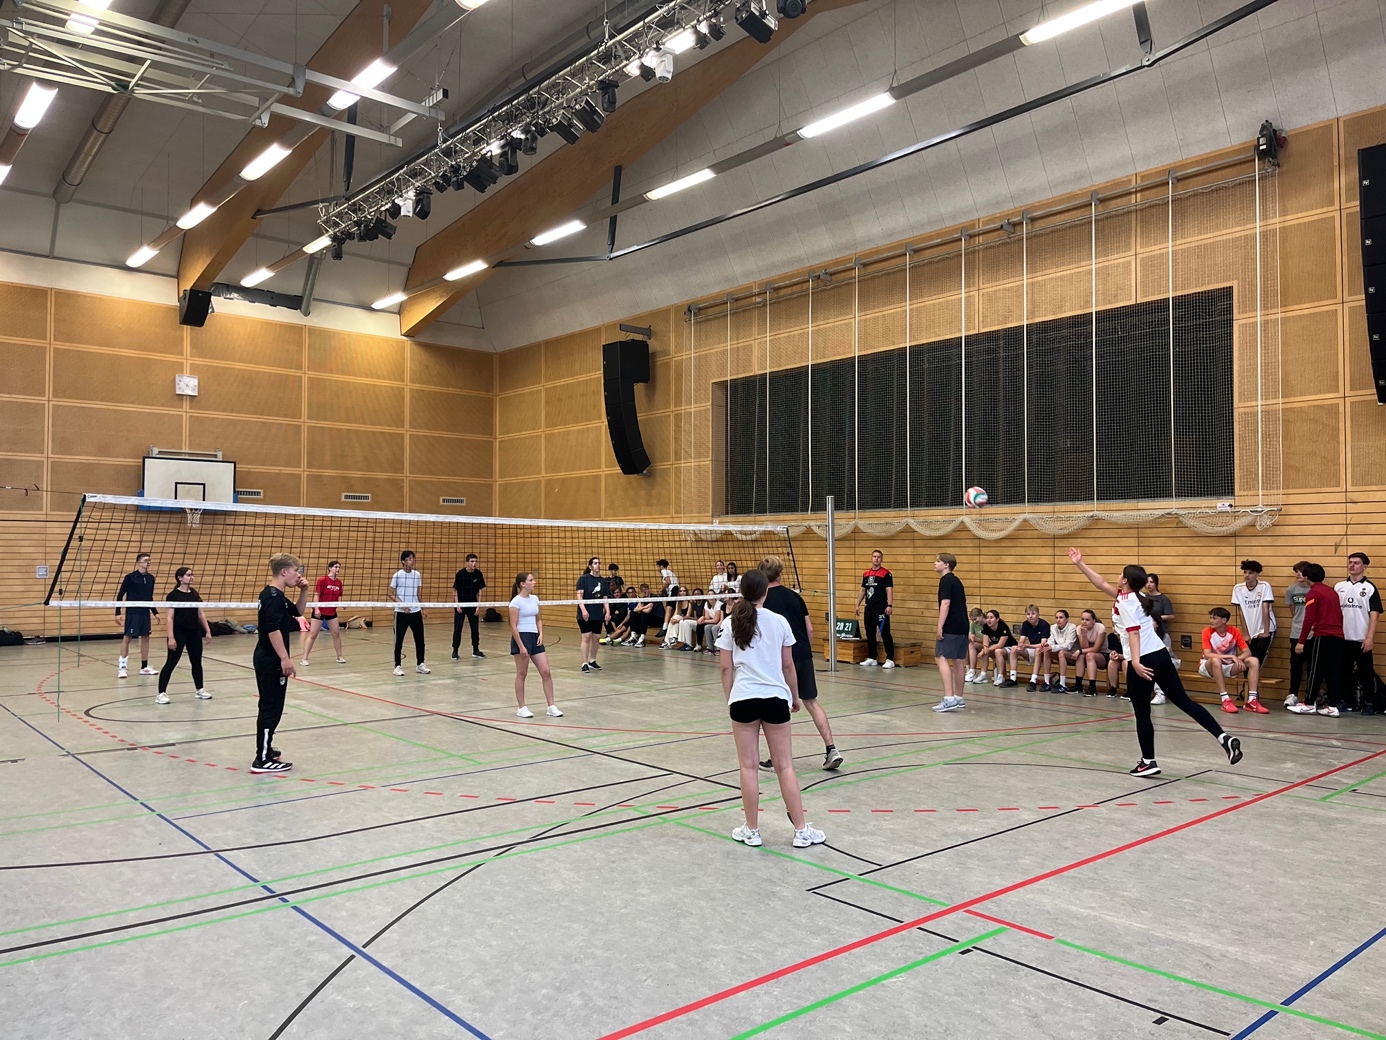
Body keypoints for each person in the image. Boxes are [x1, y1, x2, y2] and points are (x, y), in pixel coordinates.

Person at [1070, 548, 1242, 777]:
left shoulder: (1126, 603)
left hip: (1143, 659)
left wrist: (1136, 663)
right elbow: (1100, 583)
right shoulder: (1133, 597)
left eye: (1121, 574)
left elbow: (1134, 634)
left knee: (1142, 712)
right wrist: (1080, 563)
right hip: (1161, 655)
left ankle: (1148, 762)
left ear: (1126, 581)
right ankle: (1223, 738)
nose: (1117, 577)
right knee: (1184, 701)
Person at [717, 567, 826, 849]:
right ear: (765, 591)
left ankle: (752, 830)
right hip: (775, 699)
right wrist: (794, 697)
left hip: (743, 699)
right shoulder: (779, 622)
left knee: (748, 767)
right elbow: (788, 665)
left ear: (742, 592)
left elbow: (726, 667)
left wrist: (730, 698)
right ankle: (801, 831)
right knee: (784, 766)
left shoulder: (730, 622)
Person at [759, 557, 842, 770]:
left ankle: (777, 758)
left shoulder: (762, 600)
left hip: (781, 659)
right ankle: (831, 749)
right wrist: (804, 652)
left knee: (778, 707)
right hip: (804, 654)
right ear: (780, 574)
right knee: (811, 702)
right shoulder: (796, 597)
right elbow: (810, 629)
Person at [251, 554, 310, 773]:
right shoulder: (273, 597)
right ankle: (262, 759)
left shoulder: (275, 595)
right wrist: (285, 658)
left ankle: (266, 749)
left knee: (271, 706)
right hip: (270, 659)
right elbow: (273, 629)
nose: (298, 574)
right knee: (271, 709)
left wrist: (304, 591)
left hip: (267, 657)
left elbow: (298, 612)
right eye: (296, 570)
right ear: (284, 571)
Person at [1291, 562, 1344, 716]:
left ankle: (1309, 703)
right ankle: (1333, 706)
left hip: (1323, 636)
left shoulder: (1313, 593)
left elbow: (1309, 619)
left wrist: (1301, 641)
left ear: (1307, 577)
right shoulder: (1332, 592)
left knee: (1315, 670)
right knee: (1333, 671)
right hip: (1338, 636)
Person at [155, 566, 212, 704]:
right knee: (171, 662)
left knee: (196, 662)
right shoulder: (173, 595)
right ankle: (161, 693)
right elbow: (170, 617)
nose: (191, 577)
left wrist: (208, 630)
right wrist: (171, 637)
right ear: (180, 578)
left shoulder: (194, 594)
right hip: (178, 632)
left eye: (192, 575)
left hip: (194, 632)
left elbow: (200, 613)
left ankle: (200, 690)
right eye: (188, 575)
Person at [508, 572, 561, 718]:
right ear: (522, 584)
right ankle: (521, 707)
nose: (534, 582)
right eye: (531, 580)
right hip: (522, 637)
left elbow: (538, 619)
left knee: (546, 671)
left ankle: (551, 706)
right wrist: (521, 645)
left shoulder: (535, 599)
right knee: (522, 673)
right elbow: (513, 626)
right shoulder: (515, 602)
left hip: (535, 637)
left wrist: (541, 634)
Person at [1336, 551, 1382, 716]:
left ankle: (1369, 703)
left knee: (1366, 672)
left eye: (1356, 563)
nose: (1352, 565)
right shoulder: (1339, 587)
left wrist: (1369, 637)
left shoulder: (1369, 588)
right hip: (1343, 638)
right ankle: (1346, 701)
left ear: (1365, 566)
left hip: (1361, 638)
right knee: (1344, 671)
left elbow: (1374, 614)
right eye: (1350, 562)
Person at [1198, 607, 1267, 713]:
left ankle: (1252, 701)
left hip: (1227, 666)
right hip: (1208, 667)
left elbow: (1247, 652)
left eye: (1214, 618)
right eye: (1210, 618)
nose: (1211, 621)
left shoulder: (1234, 631)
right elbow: (1207, 655)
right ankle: (1225, 700)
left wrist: (1237, 659)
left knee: (1253, 661)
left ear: (1224, 620)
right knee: (1216, 660)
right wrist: (1230, 657)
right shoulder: (1207, 631)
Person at [932, 553, 970, 713]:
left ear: (946, 564)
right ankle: (959, 698)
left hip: (951, 626)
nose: (934, 563)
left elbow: (945, 603)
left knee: (940, 657)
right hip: (963, 626)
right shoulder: (957, 581)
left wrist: (940, 626)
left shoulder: (945, 581)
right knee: (958, 660)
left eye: (938, 561)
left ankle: (949, 699)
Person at [115, 552, 158, 679]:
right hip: (133, 612)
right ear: (138, 562)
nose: (148, 562)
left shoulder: (151, 578)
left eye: (149, 560)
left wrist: (155, 612)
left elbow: (149, 597)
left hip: (145, 612)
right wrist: (118, 612)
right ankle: (122, 668)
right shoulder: (130, 577)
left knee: (145, 638)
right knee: (127, 638)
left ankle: (144, 667)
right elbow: (120, 595)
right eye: (145, 560)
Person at [390, 550, 430, 676]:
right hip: (401, 613)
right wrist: (402, 606)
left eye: (413, 558)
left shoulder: (417, 575)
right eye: (409, 559)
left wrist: (423, 608)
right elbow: (391, 593)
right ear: (403, 561)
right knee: (399, 640)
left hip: (415, 612)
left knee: (420, 639)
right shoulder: (397, 575)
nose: (412, 561)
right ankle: (397, 666)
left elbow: (418, 593)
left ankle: (420, 664)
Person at [855, 549, 895, 668]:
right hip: (869, 608)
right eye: (874, 556)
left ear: (881, 559)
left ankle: (890, 658)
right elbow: (863, 590)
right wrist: (857, 604)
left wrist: (889, 605)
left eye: (878, 557)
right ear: (871, 558)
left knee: (885, 633)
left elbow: (889, 590)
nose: (876, 558)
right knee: (870, 632)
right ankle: (872, 657)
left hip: (881, 607)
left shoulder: (886, 574)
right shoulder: (866, 574)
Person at [300, 560, 345, 667]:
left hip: (332, 612)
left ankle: (339, 656)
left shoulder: (339, 582)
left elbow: (338, 597)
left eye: (339, 567)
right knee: (313, 634)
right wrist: (316, 609)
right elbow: (317, 595)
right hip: (320, 611)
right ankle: (304, 658)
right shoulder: (322, 580)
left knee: (336, 633)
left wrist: (342, 604)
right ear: (330, 568)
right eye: (335, 567)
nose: (338, 569)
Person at [1231, 560, 1276, 666]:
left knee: (1257, 659)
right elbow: (1241, 612)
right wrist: (1245, 633)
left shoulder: (1264, 586)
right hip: (1249, 631)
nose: (1247, 575)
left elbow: (1265, 609)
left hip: (1265, 629)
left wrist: (1266, 631)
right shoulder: (1238, 588)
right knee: (1247, 661)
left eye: (1250, 573)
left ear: (1257, 574)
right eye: (1245, 572)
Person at [1144, 573, 1177, 704]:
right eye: (1147, 582)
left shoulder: (1163, 599)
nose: (1149, 585)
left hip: (1159, 632)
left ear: (1156, 584)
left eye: (1151, 582)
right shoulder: (1143, 597)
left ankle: (1161, 693)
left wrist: (1155, 618)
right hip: (1146, 633)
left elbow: (1171, 615)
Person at [1284, 562, 1311, 708]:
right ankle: (1292, 694)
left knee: (1312, 666)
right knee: (1296, 666)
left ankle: (1311, 696)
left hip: (1313, 634)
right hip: (1296, 632)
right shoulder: (1291, 590)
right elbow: (1293, 610)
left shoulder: (1315, 589)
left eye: (1301, 571)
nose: (1298, 574)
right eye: (1296, 571)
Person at [575, 556, 609, 673]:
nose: (598, 565)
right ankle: (584, 663)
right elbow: (579, 596)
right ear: (590, 566)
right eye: (595, 563)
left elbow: (605, 598)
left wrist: (607, 612)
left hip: (597, 614)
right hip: (585, 614)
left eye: (599, 563)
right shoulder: (583, 579)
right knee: (586, 637)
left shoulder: (603, 582)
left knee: (596, 638)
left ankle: (592, 661)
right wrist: (584, 610)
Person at [1006, 605, 1052, 690]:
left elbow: (1043, 644)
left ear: (1038, 615)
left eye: (1033, 614)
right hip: (1032, 649)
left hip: (1043, 651)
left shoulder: (1044, 624)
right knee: (1014, 649)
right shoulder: (1025, 624)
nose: (1030, 616)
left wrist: (1027, 645)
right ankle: (1013, 678)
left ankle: (1033, 680)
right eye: (1028, 614)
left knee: (1038, 650)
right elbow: (1021, 640)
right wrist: (1020, 646)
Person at [452, 553, 486, 660]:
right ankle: (455, 651)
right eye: (472, 561)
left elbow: (480, 591)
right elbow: (455, 590)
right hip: (461, 605)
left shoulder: (478, 574)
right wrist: (457, 604)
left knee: (475, 628)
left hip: (473, 605)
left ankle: (476, 650)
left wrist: (478, 605)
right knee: (458, 628)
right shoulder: (460, 574)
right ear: (467, 562)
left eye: (475, 561)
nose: (474, 563)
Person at [1075, 609, 1108, 697]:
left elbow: (1096, 649)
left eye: (1087, 620)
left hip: (1103, 654)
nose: (1084, 622)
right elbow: (1084, 647)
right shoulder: (1079, 628)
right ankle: (1078, 685)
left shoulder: (1100, 627)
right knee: (1081, 656)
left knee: (1089, 655)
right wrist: (1084, 635)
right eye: (1082, 619)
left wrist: (1080, 651)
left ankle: (1092, 687)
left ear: (1093, 621)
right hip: (1088, 654)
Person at [1048, 609, 1080, 693]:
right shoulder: (1053, 627)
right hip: (1060, 653)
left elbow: (1068, 646)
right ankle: (1046, 682)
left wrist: (1052, 647)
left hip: (1074, 655)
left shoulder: (1072, 627)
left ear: (1067, 619)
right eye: (1056, 618)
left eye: (1061, 617)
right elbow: (1051, 640)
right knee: (1046, 651)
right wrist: (1047, 645)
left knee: (1061, 653)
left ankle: (1062, 684)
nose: (1058, 620)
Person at [977, 610, 1013, 685]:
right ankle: (983, 674)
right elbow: (985, 642)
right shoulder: (986, 627)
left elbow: (1000, 645)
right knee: (986, 651)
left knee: (997, 651)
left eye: (991, 618)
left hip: (1010, 648)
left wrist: (983, 650)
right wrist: (985, 648)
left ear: (997, 619)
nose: (989, 620)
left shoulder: (1003, 627)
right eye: (987, 618)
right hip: (996, 647)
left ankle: (1001, 676)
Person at [602, 580, 631, 645]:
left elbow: (623, 613)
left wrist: (612, 616)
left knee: (616, 617)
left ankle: (619, 634)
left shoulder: (625, 598)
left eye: (618, 592)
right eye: (615, 593)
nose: (616, 594)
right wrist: (608, 615)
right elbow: (612, 610)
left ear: (621, 593)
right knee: (605, 617)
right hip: (620, 617)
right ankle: (610, 632)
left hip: (627, 617)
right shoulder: (614, 600)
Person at [963, 608, 986, 683]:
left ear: (981, 615)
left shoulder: (987, 624)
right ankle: (969, 669)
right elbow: (970, 634)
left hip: (988, 645)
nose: (974, 621)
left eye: (975, 619)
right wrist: (971, 637)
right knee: (968, 643)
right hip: (979, 644)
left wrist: (977, 639)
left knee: (972, 645)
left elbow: (990, 642)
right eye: (972, 620)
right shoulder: (973, 624)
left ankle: (972, 671)